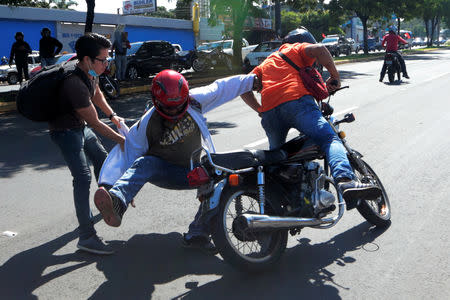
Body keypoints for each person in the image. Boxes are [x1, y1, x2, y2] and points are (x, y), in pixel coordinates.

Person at [93, 69, 257, 253]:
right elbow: (129, 154)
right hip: (165, 171)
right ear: (157, 103)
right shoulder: (146, 124)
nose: (175, 111)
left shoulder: (195, 100)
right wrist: (123, 189)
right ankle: (117, 203)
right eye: (169, 108)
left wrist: (254, 80)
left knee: (217, 174)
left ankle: (197, 234)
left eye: (179, 105)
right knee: (146, 162)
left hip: (193, 170)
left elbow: (223, 87)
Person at [240, 27, 382, 210]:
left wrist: (260, 110)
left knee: (277, 159)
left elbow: (244, 88)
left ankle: (288, 202)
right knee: (329, 138)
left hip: (270, 114)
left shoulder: (266, 62)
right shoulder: (297, 48)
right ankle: (346, 181)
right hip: (297, 104)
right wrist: (335, 76)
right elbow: (320, 50)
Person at [49, 33, 126, 255]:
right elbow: (96, 124)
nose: (107, 64)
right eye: (103, 60)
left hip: (80, 126)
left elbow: (97, 93)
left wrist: (113, 116)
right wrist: (122, 140)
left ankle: (113, 201)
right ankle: (86, 236)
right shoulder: (73, 83)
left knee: (103, 159)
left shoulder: (90, 72)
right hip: (65, 132)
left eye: (108, 59)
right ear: (87, 60)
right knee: (82, 177)